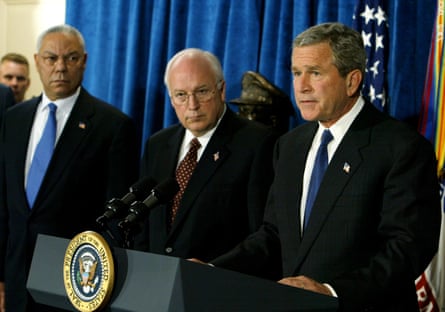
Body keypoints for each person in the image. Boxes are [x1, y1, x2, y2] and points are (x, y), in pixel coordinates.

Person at [191, 23, 441, 311]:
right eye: (297, 73)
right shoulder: (290, 146)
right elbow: (273, 235)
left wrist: (331, 291)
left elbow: (407, 247)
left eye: (315, 73)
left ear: (352, 81)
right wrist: (213, 269)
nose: (301, 86)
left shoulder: (400, 147)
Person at [0, 24, 140, 311]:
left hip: (73, 282)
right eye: (51, 59)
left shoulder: (111, 126)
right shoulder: (13, 120)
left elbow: (115, 219)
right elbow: (4, 204)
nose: (61, 68)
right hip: (15, 278)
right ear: (37, 61)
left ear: (85, 61)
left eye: (71, 58)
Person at [133, 48, 278, 265]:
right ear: (171, 99)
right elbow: (143, 227)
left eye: (202, 92)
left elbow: (263, 232)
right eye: (181, 95)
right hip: (157, 283)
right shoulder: (158, 144)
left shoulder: (257, 143)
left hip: (218, 287)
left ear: (221, 90)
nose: (192, 105)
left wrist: (212, 269)